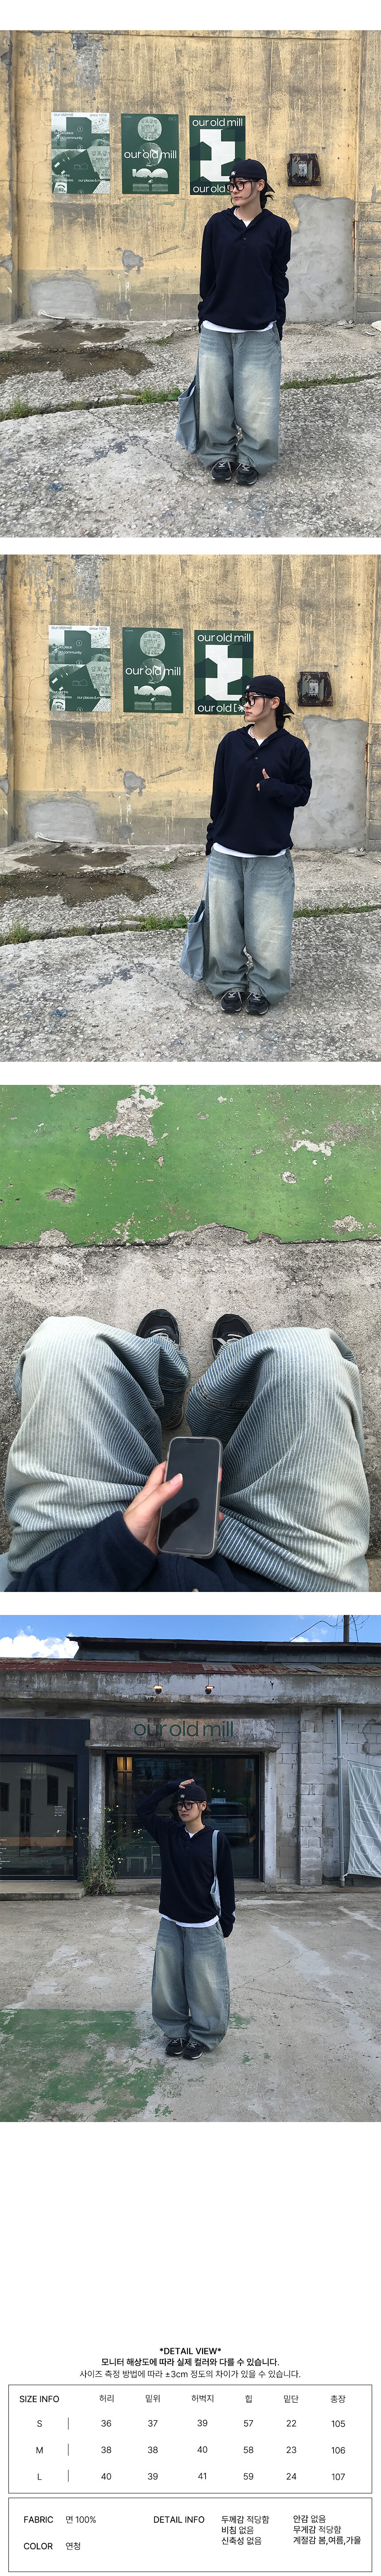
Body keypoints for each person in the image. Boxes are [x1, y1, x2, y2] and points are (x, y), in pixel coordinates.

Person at [3, 1309, 369, 1594]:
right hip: (287, 1584)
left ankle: (169, 1376)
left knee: (63, 1344)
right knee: (307, 1357)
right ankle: (238, 1373)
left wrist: (114, 1550)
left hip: (80, 1570)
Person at [203, 676, 312, 1015]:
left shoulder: (294, 748)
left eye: (253, 698)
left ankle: (266, 986)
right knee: (223, 929)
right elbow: (220, 795)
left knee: (270, 932)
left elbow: (303, 794)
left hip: (271, 855)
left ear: (275, 703)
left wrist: (276, 788)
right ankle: (229, 983)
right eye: (245, 699)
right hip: (226, 853)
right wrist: (213, 838)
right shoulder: (231, 743)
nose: (246, 705)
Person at [195, 158, 292, 484]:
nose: (234, 190)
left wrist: (277, 320)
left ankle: (254, 457)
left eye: (241, 184)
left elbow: (278, 277)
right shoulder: (217, 224)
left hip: (260, 328)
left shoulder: (278, 228)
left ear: (260, 186)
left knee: (259, 402)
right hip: (216, 328)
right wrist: (205, 314)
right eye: (231, 185)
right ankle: (219, 454)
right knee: (214, 401)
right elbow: (208, 275)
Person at [134, 1775, 235, 2058]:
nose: (183, 1808)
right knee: (168, 1982)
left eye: (190, 1804)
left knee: (207, 1983)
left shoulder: (216, 1840)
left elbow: (226, 1882)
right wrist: (170, 1788)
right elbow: (143, 1810)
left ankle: (203, 2035)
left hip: (204, 1923)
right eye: (180, 1804)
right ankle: (176, 2031)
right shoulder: (169, 1833)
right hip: (171, 1922)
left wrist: (227, 1918)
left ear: (203, 1806)